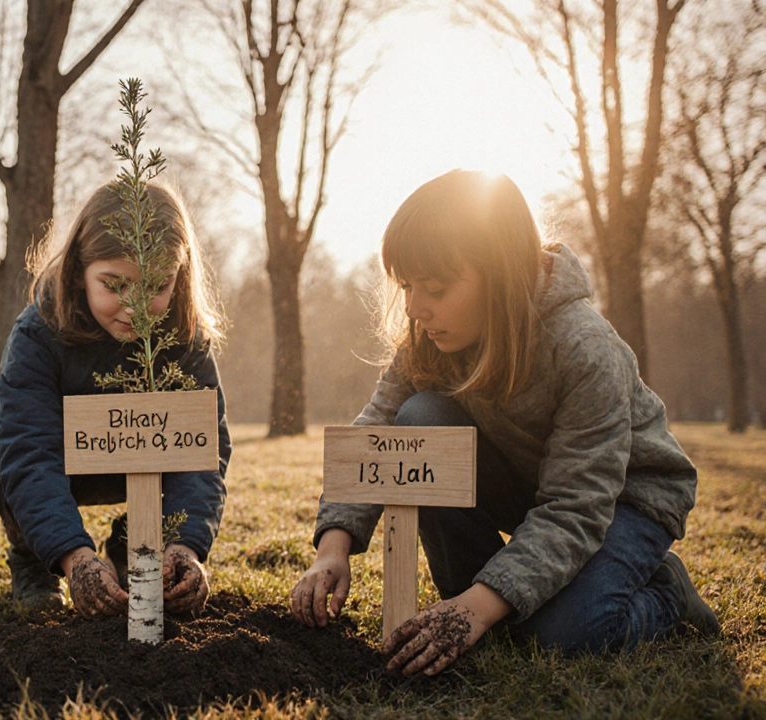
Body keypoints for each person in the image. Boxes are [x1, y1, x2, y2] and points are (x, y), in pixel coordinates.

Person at [291, 170, 719, 676]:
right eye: (408, 287)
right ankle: (481, 597)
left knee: (563, 634)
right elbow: (377, 434)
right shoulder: (432, 335)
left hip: (625, 499)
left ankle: (667, 592)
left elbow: (577, 505)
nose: (414, 307)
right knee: (419, 419)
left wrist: (479, 607)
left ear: (499, 274)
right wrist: (332, 549)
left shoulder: (585, 349)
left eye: (434, 288)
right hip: (528, 483)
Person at [0, 182, 230, 617]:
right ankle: (34, 556)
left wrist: (186, 543)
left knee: (173, 438)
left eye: (157, 286)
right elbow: (29, 451)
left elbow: (202, 450)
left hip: (130, 451)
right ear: (78, 271)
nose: (136, 308)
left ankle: (139, 541)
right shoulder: (39, 330)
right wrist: (73, 555)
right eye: (115, 285)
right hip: (34, 446)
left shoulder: (186, 338)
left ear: (180, 277)